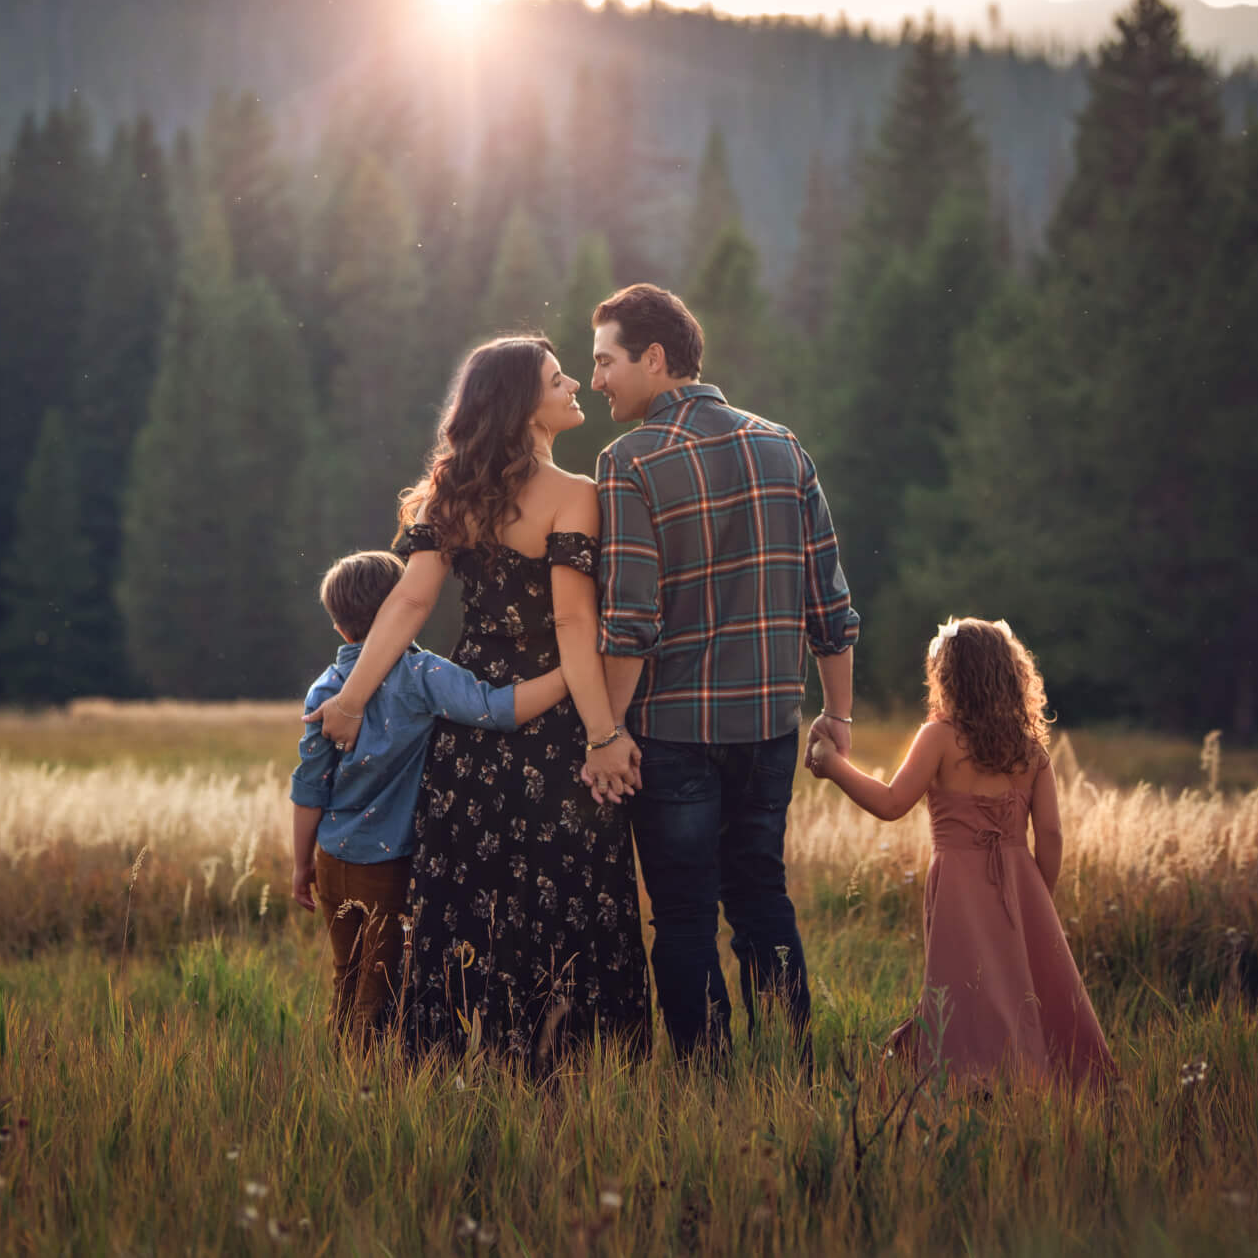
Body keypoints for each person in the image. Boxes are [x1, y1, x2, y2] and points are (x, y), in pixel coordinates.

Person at [307, 336, 651, 1066]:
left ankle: (465, 1053)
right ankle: (561, 1057)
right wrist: (602, 733)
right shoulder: (574, 493)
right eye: (560, 381)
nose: (575, 388)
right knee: (561, 887)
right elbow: (571, 623)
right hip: (554, 719)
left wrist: (349, 700)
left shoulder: (452, 493)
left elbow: (408, 603)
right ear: (525, 404)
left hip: (471, 724)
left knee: (473, 894)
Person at [585, 282, 858, 1060]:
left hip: (672, 737)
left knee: (682, 916)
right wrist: (836, 716)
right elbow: (830, 605)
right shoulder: (785, 446)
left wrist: (606, 732)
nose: (598, 378)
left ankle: (707, 1085)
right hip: (772, 731)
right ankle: (787, 1072)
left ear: (656, 358)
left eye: (606, 361)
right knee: (762, 899)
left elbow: (630, 620)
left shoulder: (629, 462)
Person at [806, 617, 1117, 1088]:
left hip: (958, 885)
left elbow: (892, 804)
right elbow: (1050, 835)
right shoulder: (1032, 751)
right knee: (1024, 987)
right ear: (1011, 677)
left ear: (948, 678)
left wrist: (833, 766)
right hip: (1022, 885)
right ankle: (1037, 1078)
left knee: (964, 986)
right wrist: (1037, 895)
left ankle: (970, 1079)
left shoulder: (939, 737)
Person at [291, 550, 575, 1042]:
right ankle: (363, 1082)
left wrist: (302, 864)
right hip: (386, 867)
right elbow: (497, 709)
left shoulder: (326, 689)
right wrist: (571, 673)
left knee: (347, 973)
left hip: (331, 858)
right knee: (378, 985)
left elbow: (308, 789)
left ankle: (338, 1069)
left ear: (339, 627)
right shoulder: (423, 676)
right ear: (403, 608)